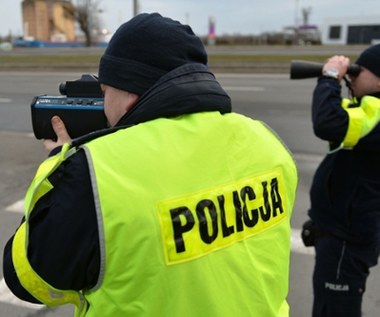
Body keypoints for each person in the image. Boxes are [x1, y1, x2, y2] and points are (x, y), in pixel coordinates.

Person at [3, 13, 298, 317]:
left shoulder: (94, 174)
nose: (104, 106)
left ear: (130, 92)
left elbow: (28, 279)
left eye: (105, 92)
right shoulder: (266, 142)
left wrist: (59, 168)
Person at [304, 44, 380, 317]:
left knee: (335, 310)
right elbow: (333, 113)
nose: (353, 75)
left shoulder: (376, 115)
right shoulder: (368, 110)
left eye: (360, 70)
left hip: (346, 239)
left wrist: (330, 77)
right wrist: (333, 80)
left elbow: (326, 122)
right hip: (339, 232)